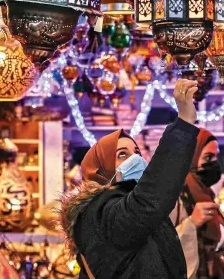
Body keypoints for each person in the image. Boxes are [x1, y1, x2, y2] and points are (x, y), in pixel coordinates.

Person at [60, 79, 201, 279]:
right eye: (122, 154)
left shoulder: (122, 207)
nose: (135, 159)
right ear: (100, 169)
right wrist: (184, 125)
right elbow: (149, 202)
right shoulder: (100, 212)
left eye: (136, 152)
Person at [170, 129, 224, 279]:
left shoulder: (206, 193)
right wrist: (192, 223)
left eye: (216, 157)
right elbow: (157, 247)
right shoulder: (172, 195)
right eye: (208, 157)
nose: (214, 163)